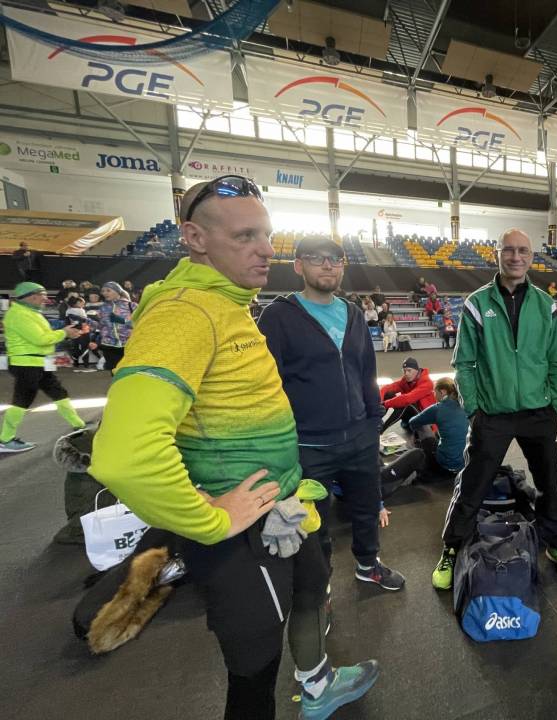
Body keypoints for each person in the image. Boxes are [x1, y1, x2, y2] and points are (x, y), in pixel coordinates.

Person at [90, 177, 378, 720]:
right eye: (245, 236)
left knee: (312, 590)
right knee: (254, 669)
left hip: (286, 505)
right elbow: (123, 454)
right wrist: (211, 519)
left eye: (266, 234)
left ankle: (318, 686)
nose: (266, 249)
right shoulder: (185, 312)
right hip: (243, 533)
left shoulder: (229, 304)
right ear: (195, 238)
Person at [433, 228, 557, 590]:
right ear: (496, 255)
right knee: (474, 483)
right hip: (492, 414)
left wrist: (556, 405)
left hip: (539, 412)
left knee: (548, 483)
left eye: (523, 251)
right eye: (509, 250)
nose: (516, 257)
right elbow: (464, 363)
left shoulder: (545, 305)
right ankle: (452, 547)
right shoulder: (476, 303)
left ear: (531, 257)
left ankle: (555, 542)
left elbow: (556, 360)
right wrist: (474, 409)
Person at [258, 235, 405, 593]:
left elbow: (366, 372)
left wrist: (373, 423)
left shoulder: (353, 314)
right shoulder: (278, 316)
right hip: (309, 445)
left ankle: (368, 565)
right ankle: (319, 583)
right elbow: (267, 386)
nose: (327, 265)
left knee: (366, 510)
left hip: (359, 438)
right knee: (314, 522)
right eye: (316, 258)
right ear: (298, 266)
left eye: (335, 259)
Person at [0, 282, 86, 453]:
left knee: (58, 393)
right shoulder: (19, 315)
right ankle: (5, 439)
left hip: (36, 362)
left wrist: (64, 332)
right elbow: (40, 339)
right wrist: (64, 333)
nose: (46, 298)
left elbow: (44, 336)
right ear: (33, 296)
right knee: (22, 400)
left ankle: (79, 424)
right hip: (26, 364)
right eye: (43, 295)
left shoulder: (29, 312)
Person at [401, 377, 468, 480]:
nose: (434, 395)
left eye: (434, 392)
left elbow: (412, 422)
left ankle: (421, 458)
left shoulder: (437, 408)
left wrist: (428, 420)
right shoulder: (466, 405)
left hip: (448, 463)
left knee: (422, 425)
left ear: (442, 392)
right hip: (466, 462)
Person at [380, 357, 435, 431]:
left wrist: (385, 404)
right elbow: (387, 388)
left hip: (426, 421)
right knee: (389, 394)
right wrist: (379, 401)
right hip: (412, 417)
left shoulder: (427, 383)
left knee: (404, 403)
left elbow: (407, 399)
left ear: (417, 370)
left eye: (409, 370)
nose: (406, 374)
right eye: (404, 371)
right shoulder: (406, 381)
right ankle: (376, 421)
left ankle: (381, 429)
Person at [97, 281, 137, 372]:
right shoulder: (103, 308)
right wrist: (88, 322)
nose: (105, 293)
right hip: (109, 345)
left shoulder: (132, 305)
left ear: (117, 291)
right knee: (113, 372)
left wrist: (121, 321)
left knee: (128, 372)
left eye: (108, 290)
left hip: (128, 345)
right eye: (103, 291)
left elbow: (140, 323)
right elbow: (100, 326)